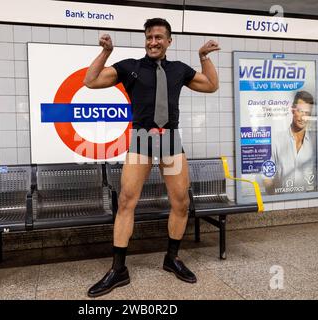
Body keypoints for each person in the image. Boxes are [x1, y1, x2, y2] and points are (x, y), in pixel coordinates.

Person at [83, 18, 220, 297]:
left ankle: (172, 258)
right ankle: (118, 269)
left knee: (180, 202)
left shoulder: (179, 70)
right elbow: (90, 81)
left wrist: (203, 57)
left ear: (169, 41)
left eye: (159, 37)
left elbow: (211, 86)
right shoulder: (130, 67)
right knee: (126, 201)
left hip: (170, 138)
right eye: (149, 37)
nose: (153, 42)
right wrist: (106, 52)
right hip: (143, 138)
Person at [264, 91, 317, 195]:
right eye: (300, 111)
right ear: (293, 110)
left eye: (307, 113)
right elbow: (267, 178)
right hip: (282, 201)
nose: (303, 117)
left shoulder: (314, 142)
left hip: (309, 200)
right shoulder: (277, 140)